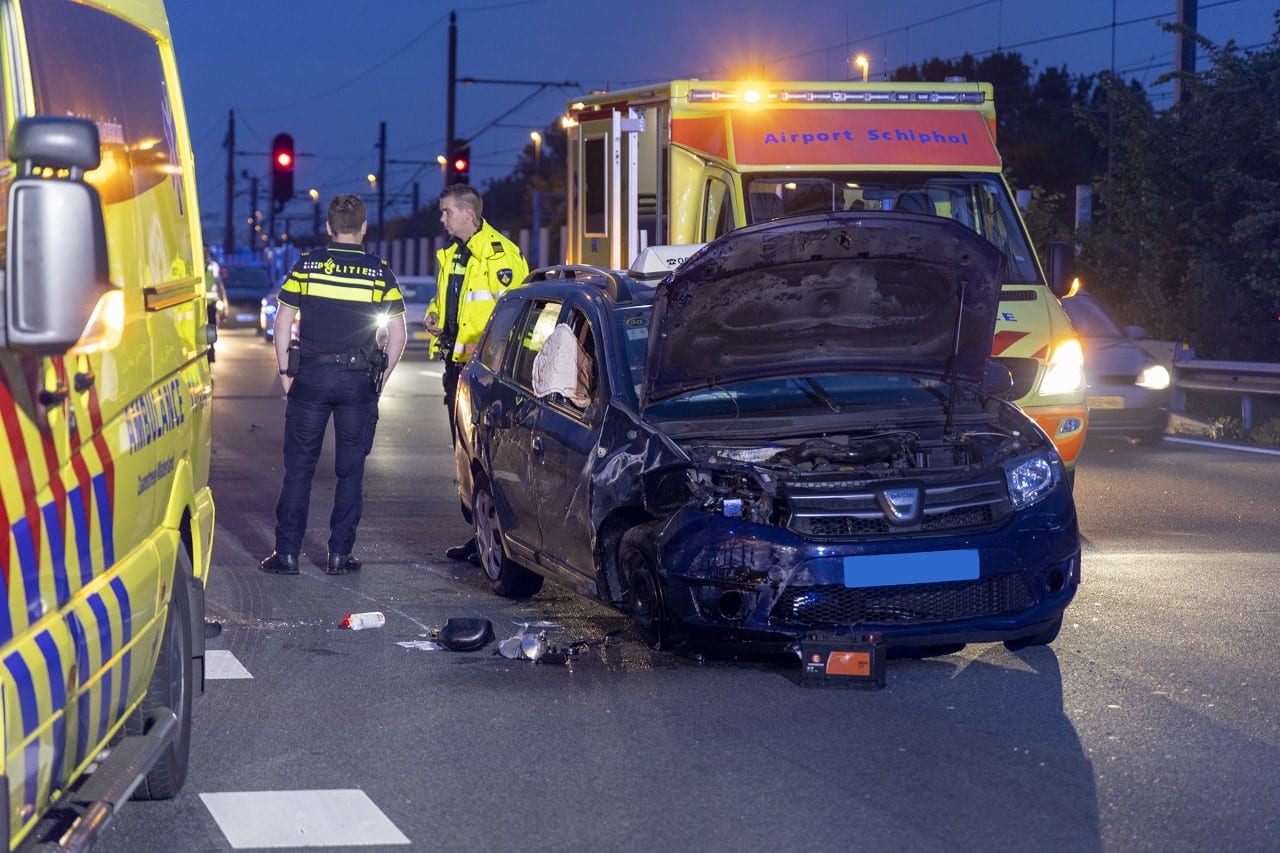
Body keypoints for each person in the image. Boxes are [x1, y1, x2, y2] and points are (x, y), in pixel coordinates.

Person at [259, 194, 408, 576]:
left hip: (310, 377)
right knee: (350, 470)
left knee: (299, 468)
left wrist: (284, 373)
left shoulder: (308, 266)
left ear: (328, 227)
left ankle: (288, 554)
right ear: (363, 228)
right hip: (358, 383)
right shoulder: (378, 272)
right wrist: (381, 378)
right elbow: (397, 333)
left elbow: (282, 320)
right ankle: (340, 555)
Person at [424, 183, 528, 563]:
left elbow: (515, 318)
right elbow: (449, 303)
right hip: (458, 372)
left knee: (486, 457)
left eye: (447, 211)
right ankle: (480, 532)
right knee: (465, 455)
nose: (442, 218)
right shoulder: (453, 256)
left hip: (487, 376)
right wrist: (434, 315)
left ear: (469, 214)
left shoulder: (499, 257)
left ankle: (499, 536)